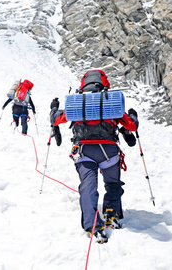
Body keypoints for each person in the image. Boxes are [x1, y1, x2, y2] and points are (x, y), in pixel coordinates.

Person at [50, 70, 139, 243]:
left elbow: (55, 119)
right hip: (109, 152)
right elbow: (132, 125)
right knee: (113, 184)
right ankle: (111, 214)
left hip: (85, 152)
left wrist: (54, 107)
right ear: (104, 84)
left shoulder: (77, 104)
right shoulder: (111, 103)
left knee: (88, 187)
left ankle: (93, 226)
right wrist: (133, 114)